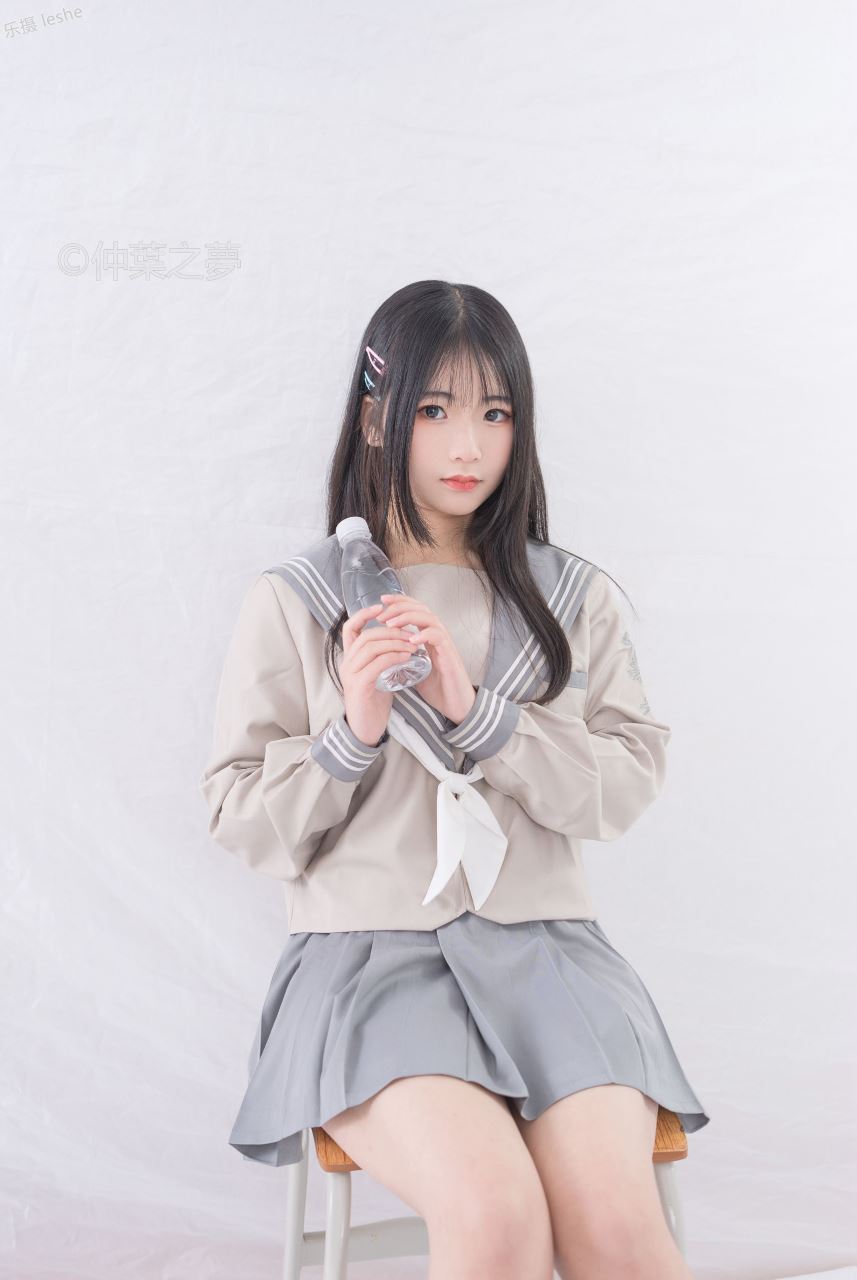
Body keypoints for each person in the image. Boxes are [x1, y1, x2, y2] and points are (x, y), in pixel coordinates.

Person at [199, 279, 710, 1280]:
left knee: (616, 1227)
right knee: (495, 1216)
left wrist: (483, 715)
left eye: (495, 412)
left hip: (553, 957)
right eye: (433, 410)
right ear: (375, 418)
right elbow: (239, 814)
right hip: (364, 967)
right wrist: (351, 732)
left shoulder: (571, 597)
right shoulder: (299, 600)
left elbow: (622, 784)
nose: (467, 445)